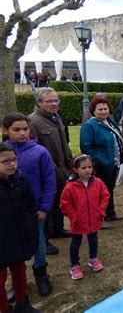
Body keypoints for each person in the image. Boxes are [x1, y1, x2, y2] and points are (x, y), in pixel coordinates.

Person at [2, 113, 56, 296]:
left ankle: (41, 275)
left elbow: (49, 181)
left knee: (38, 243)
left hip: (34, 209)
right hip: (9, 211)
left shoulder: (40, 152)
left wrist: (44, 207)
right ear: (5, 130)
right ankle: (17, 283)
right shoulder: (3, 153)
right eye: (16, 130)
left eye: (25, 129)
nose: (22, 133)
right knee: (12, 247)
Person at [29, 87, 73, 251]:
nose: (54, 104)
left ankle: (57, 229)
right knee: (46, 205)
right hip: (46, 172)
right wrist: (51, 169)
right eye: (49, 101)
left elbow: (63, 143)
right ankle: (44, 240)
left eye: (56, 100)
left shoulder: (56, 118)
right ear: (39, 103)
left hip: (62, 169)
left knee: (58, 203)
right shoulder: (33, 122)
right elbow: (35, 150)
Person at [0, 143, 41, 313]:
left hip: (18, 236)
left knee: (19, 270)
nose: (12, 164)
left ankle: (22, 303)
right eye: (5, 161)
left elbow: (30, 203)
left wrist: (29, 221)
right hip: (1, 240)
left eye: (14, 160)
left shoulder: (20, 179)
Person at [60, 154, 110, 280]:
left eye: (89, 167)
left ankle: (93, 258)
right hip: (78, 221)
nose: (87, 170)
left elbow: (105, 196)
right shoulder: (70, 187)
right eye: (83, 168)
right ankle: (75, 265)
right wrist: (73, 216)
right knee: (75, 243)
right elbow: (65, 204)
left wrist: (101, 211)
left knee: (93, 239)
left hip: (94, 218)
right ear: (75, 170)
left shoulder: (98, 183)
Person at [80, 96, 123, 223]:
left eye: (105, 109)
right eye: (100, 109)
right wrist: (98, 160)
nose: (103, 112)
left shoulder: (110, 121)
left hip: (113, 162)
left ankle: (110, 213)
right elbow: (86, 146)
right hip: (100, 165)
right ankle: (98, 218)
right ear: (93, 110)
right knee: (99, 193)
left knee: (109, 190)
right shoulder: (89, 125)